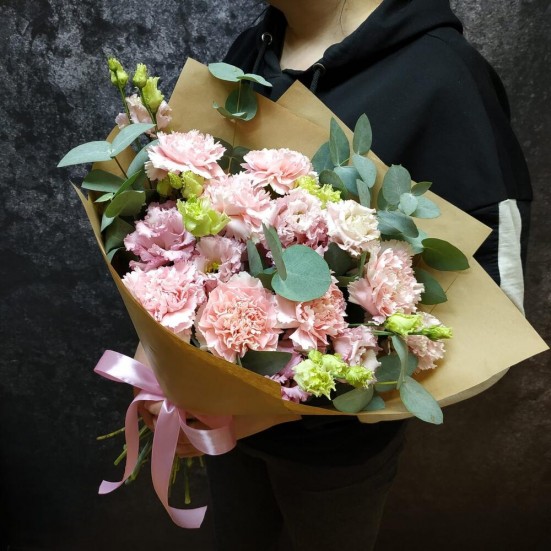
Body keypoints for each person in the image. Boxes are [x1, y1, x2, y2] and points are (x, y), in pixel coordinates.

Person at [141, 1, 532, 549]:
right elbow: (186, 220)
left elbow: (496, 314)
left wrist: (275, 403)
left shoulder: (445, 77)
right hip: (222, 429)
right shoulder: (251, 51)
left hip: (334, 453)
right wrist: (162, 357)